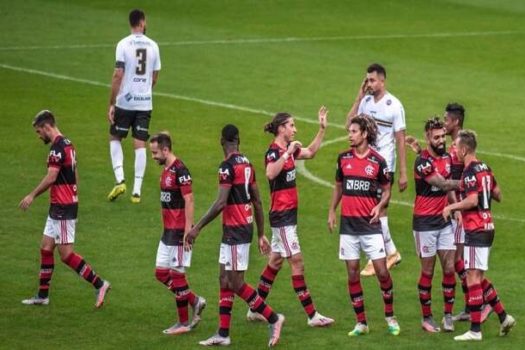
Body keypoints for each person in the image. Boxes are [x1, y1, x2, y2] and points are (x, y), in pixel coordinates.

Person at [184, 124, 284, 347]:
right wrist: (260, 233)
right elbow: (257, 201)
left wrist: (197, 227)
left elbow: (221, 203)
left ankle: (274, 318)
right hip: (240, 228)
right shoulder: (247, 163)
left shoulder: (227, 167)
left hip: (236, 230)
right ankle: (223, 333)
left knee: (236, 283)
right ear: (238, 141)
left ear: (222, 142)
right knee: (224, 279)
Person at [248, 107, 334, 327]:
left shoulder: (288, 149)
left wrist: (322, 129)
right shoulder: (274, 152)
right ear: (281, 128)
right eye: (292, 125)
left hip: (288, 216)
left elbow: (311, 152)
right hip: (282, 216)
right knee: (297, 262)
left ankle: (254, 309)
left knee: (275, 262)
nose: (295, 129)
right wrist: (287, 153)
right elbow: (269, 173)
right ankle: (313, 316)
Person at [19, 110, 110, 307]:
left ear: (46, 127)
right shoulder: (68, 144)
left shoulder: (57, 149)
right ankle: (43, 296)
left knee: (67, 255)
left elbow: (52, 177)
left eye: (38, 131)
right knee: (45, 248)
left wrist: (32, 195)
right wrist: (74, 196)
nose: (39, 135)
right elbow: (74, 173)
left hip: (62, 207)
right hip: (62, 205)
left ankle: (100, 284)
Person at [328, 114, 400, 336]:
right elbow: (338, 186)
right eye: (349, 131)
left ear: (364, 134)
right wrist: (332, 210)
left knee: (381, 272)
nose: (349, 135)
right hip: (348, 227)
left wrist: (380, 206)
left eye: (353, 131)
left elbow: (387, 189)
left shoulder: (378, 162)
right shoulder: (343, 159)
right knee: (352, 273)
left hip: (370, 226)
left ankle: (390, 316)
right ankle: (361, 322)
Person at [443, 130, 515, 341]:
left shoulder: (469, 172)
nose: (454, 150)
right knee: (480, 277)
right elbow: (498, 194)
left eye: (456, 146)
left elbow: (473, 200)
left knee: (473, 278)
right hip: (488, 227)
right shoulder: (485, 168)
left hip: (475, 228)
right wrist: (485, 190)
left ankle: (475, 330)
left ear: (464, 149)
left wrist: (452, 207)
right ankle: (503, 317)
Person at [346, 63, 406, 276]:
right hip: (366, 166)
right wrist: (359, 97)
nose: (369, 84)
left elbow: (400, 140)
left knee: (377, 210)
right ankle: (389, 252)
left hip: (384, 165)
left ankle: (378, 256)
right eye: (367, 80)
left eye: (372, 80)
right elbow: (348, 124)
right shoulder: (366, 102)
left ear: (382, 80)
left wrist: (403, 173)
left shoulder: (394, 105)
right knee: (375, 210)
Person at [149, 133, 206, 335]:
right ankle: (194, 300)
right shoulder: (166, 170)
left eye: (155, 153)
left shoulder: (181, 170)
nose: (153, 157)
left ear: (166, 150)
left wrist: (188, 231)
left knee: (177, 275)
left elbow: (189, 199)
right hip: (167, 233)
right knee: (161, 273)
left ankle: (183, 323)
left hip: (179, 234)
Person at [412, 117, 461, 333]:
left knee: (449, 268)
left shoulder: (448, 158)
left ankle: (448, 315)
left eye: (443, 136)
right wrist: (468, 182)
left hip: (444, 221)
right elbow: (441, 183)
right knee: (428, 271)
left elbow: (448, 190)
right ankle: (426, 317)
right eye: (437, 137)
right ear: (428, 138)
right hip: (424, 224)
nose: (441, 140)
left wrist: (456, 207)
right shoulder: (422, 162)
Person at [107, 9, 161, 203]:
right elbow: (155, 76)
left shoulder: (123, 44)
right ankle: (137, 191)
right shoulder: (154, 45)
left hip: (125, 101)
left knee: (115, 137)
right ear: (142, 22)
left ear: (131, 23)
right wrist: (145, 89)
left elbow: (118, 74)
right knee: (140, 143)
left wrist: (112, 102)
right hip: (145, 103)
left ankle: (120, 179)